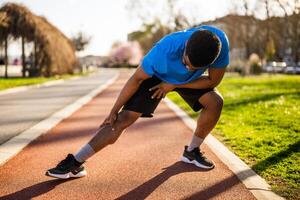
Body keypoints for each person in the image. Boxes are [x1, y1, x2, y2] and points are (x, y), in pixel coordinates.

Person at [46, 25, 229, 179]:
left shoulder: (219, 46)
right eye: (186, 62)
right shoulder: (163, 50)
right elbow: (135, 80)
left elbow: (213, 81)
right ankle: (75, 163)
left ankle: (192, 152)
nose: (187, 68)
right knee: (122, 119)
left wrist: (173, 84)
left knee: (215, 102)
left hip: (185, 81)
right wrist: (114, 110)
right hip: (157, 77)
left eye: (193, 67)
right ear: (186, 46)